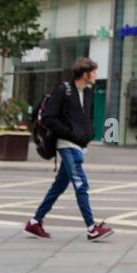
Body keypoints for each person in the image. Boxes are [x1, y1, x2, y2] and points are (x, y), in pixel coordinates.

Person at [26, 58, 114, 241]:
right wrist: (71, 135)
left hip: (79, 146)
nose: (96, 75)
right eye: (94, 72)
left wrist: (89, 134)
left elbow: (86, 119)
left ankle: (34, 222)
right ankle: (91, 229)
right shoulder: (63, 90)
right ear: (85, 74)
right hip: (66, 145)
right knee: (81, 185)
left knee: (58, 186)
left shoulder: (88, 92)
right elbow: (49, 118)